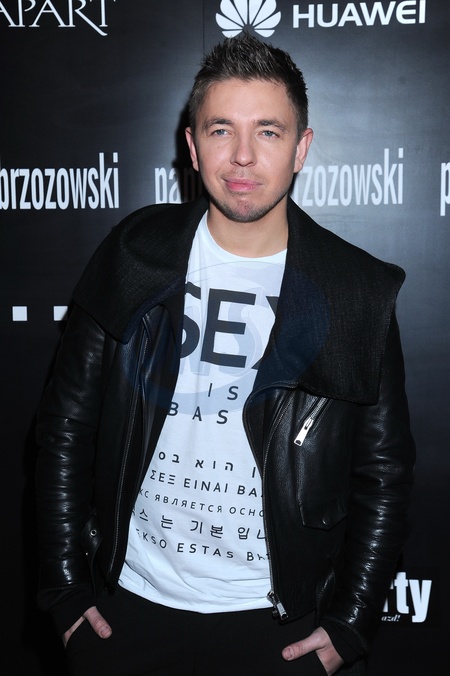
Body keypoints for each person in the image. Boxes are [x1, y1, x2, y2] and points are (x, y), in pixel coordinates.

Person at [35, 33, 415, 676]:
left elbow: (384, 474)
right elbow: (66, 427)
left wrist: (350, 620)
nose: (242, 155)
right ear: (192, 146)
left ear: (301, 148)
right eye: (221, 130)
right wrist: (67, 588)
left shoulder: (356, 290)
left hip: (280, 628)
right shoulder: (133, 253)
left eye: (268, 131)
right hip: (127, 611)